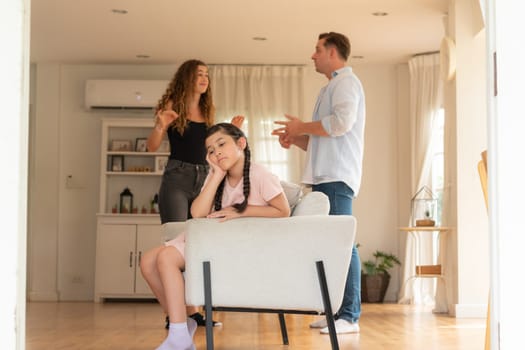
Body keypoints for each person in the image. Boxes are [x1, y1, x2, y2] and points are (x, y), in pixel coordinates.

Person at [143, 122, 290, 350]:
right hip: (206, 235)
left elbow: (283, 210)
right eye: (211, 149)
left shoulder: (260, 174)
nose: (216, 152)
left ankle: (179, 333)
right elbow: (197, 213)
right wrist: (216, 174)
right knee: (147, 261)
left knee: (165, 259)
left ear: (241, 143)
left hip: (225, 244)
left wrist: (241, 211)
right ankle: (185, 323)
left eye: (221, 144)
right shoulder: (217, 176)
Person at [272, 32, 365, 335]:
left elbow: (341, 124)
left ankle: (349, 316)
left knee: (342, 243)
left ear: (332, 51)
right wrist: (296, 137)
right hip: (326, 176)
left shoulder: (346, 83)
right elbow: (323, 142)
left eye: (317, 50)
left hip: (337, 178)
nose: (312, 55)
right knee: (329, 245)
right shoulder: (331, 87)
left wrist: (302, 127)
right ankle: (336, 311)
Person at [141, 59, 244, 329]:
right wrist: (161, 125)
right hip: (177, 178)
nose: (204, 78)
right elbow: (151, 147)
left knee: (196, 245)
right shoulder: (171, 108)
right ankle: (175, 314)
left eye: (207, 75)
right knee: (175, 244)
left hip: (204, 179)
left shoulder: (209, 112)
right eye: (199, 74)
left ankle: (194, 313)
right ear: (187, 77)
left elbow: (217, 147)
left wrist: (231, 130)